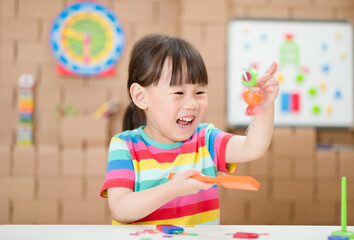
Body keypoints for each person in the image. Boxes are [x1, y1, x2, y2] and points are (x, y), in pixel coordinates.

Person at [100, 34, 279, 225]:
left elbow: (253, 148)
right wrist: (172, 189)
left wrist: (265, 106)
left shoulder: (206, 140)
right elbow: (120, 209)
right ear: (141, 96)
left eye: (199, 92)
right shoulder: (125, 146)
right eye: (179, 92)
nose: (192, 104)